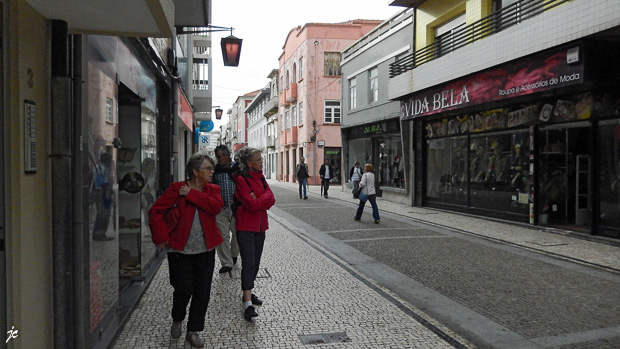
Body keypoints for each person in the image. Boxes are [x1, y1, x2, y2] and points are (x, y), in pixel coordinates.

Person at [149, 152, 224, 348]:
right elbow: (156, 211)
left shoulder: (212, 189)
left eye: (212, 168)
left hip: (205, 250)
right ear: (195, 171)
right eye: (208, 168)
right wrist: (161, 238)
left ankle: (193, 331)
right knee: (183, 289)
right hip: (179, 250)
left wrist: (191, 194)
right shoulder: (176, 188)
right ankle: (178, 317)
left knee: (202, 292)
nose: (211, 172)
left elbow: (216, 207)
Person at [234, 147, 275, 321]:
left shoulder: (262, 178)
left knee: (256, 263)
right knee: (249, 263)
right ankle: (248, 304)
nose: (261, 161)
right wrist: (261, 200)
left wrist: (257, 199)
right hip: (245, 226)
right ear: (249, 163)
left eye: (261, 158)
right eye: (258, 159)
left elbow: (271, 198)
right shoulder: (242, 179)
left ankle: (247, 293)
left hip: (260, 227)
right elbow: (250, 206)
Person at [212, 145, 240, 274]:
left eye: (219, 157)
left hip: (236, 207)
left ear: (226, 156)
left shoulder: (237, 168)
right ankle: (226, 262)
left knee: (237, 233)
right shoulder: (215, 170)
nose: (217, 159)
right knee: (222, 236)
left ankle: (234, 254)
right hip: (220, 208)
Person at [93, 151, 114, 241]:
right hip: (103, 193)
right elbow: (101, 183)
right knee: (104, 214)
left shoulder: (97, 168)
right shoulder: (102, 169)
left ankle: (98, 233)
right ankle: (100, 234)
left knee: (100, 214)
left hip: (99, 192)